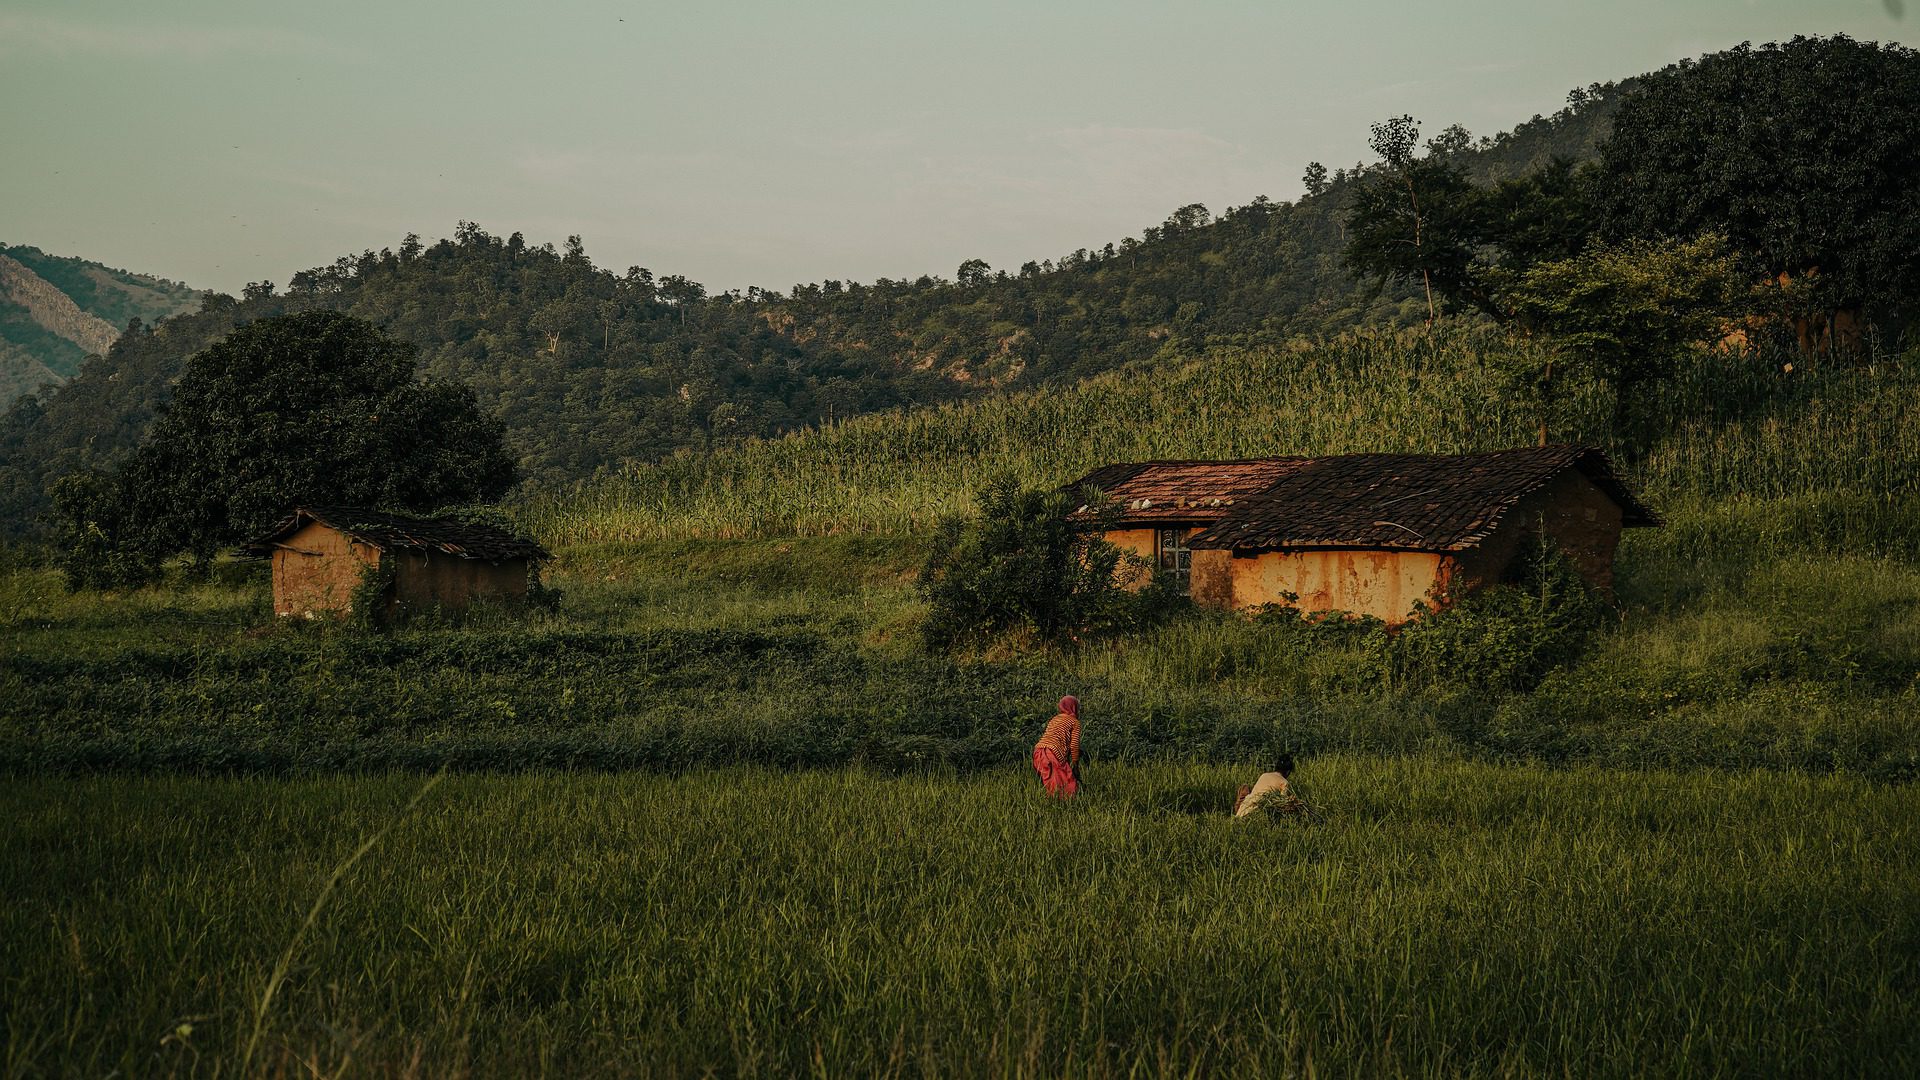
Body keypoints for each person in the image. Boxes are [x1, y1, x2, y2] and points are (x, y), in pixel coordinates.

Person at [1032, 695, 1081, 799]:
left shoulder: (1054, 719)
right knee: (1067, 784)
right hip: (1052, 752)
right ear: (1075, 707)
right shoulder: (1074, 722)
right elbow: (1074, 746)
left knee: (1051, 784)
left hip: (1038, 750)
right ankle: (1067, 805)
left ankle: (1049, 803)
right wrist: (1075, 764)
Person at [1234, 753, 1296, 818]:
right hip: (1258, 813)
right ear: (1288, 772)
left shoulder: (1264, 775)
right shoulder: (1284, 782)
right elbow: (1283, 804)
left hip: (1244, 808)